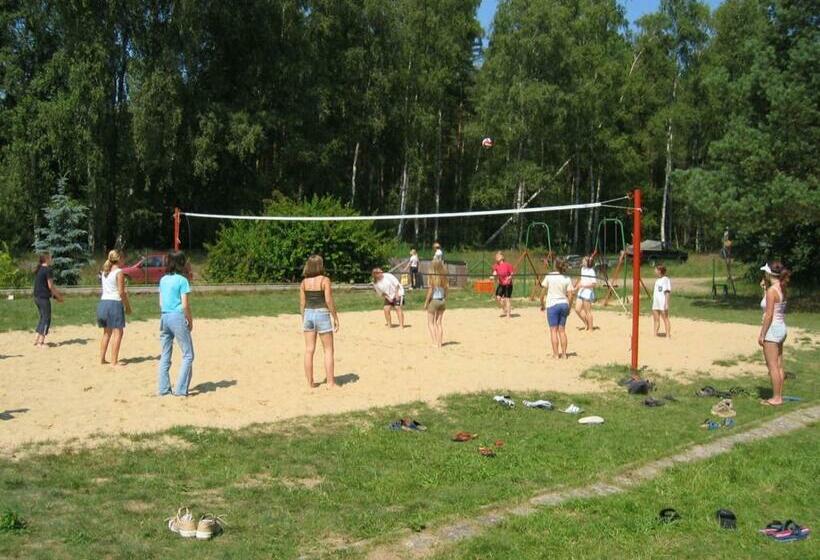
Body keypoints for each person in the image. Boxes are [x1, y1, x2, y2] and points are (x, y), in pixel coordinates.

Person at [157, 251, 194, 397]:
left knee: (165, 354)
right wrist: (190, 320)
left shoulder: (163, 280)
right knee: (188, 355)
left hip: (164, 316)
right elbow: (185, 305)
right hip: (177, 317)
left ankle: (164, 389)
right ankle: (180, 389)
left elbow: (161, 303)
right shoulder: (182, 281)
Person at [300, 255, 340, 388]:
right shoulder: (325, 280)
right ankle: (330, 382)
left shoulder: (304, 282)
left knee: (309, 350)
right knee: (328, 350)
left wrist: (303, 317)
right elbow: (328, 300)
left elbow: (302, 303)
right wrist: (335, 317)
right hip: (322, 313)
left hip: (308, 314)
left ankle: (310, 382)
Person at [759, 261, 789, 406]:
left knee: (772, 366)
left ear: (769, 273)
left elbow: (769, 314)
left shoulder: (772, 291)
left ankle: (776, 398)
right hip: (781, 327)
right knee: (779, 365)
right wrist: (765, 288)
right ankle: (779, 395)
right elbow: (770, 305)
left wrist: (762, 334)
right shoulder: (781, 287)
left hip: (772, 329)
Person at [97, 250, 132, 366]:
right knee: (118, 332)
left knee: (106, 333)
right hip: (114, 303)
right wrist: (127, 306)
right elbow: (121, 292)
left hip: (103, 303)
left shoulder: (105, 272)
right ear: (119, 259)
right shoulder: (119, 272)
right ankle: (114, 362)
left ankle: (102, 359)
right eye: (123, 258)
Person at [540, 258, 574, 359]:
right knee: (562, 331)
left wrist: (542, 304)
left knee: (553, 330)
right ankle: (564, 354)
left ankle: (556, 354)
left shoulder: (549, 276)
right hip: (564, 304)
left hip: (552, 305)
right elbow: (571, 295)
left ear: (555, 265)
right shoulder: (567, 278)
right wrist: (569, 307)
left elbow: (542, 293)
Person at [32, 253, 63, 347]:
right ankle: (41, 343)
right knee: (46, 319)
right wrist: (58, 296)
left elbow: (45, 286)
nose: (52, 260)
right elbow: (50, 286)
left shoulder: (40, 269)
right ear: (47, 259)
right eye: (50, 258)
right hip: (43, 298)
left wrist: (54, 296)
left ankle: (36, 339)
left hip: (37, 297)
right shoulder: (48, 270)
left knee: (42, 317)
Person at [423, 259, 449, 347]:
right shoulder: (444, 278)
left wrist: (426, 302)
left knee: (430, 323)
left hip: (434, 301)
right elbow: (446, 290)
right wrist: (445, 297)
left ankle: (435, 342)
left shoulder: (432, 277)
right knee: (439, 323)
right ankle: (440, 343)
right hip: (442, 301)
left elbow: (430, 291)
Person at [574, 256, 597, 331]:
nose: (582, 261)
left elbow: (594, 284)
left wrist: (584, 286)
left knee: (588, 311)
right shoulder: (582, 269)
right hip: (581, 291)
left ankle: (591, 328)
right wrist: (576, 287)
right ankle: (586, 323)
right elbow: (582, 280)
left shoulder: (591, 271)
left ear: (588, 262)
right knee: (577, 309)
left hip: (587, 292)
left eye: (584, 260)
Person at [491, 251, 514, 318]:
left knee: (507, 299)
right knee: (498, 297)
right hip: (501, 284)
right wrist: (494, 275)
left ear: (502, 258)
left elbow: (512, 274)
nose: (496, 257)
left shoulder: (508, 265)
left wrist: (509, 277)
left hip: (508, 284)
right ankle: (504, 308)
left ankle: (508, 315)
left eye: (498, 256)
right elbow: (495, 273)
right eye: (496, 256)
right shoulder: (496, 266)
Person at [652, 265, 672, 337]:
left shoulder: (665, 279)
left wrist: (666, 303)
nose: (654, 271)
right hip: (656, 303)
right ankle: (655, 334)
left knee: (665, 318)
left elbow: (667, 292)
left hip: (662, 302)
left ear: (659, 271)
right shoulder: (657, 280)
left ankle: (668, 335)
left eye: (656, 270)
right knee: (656, 319)